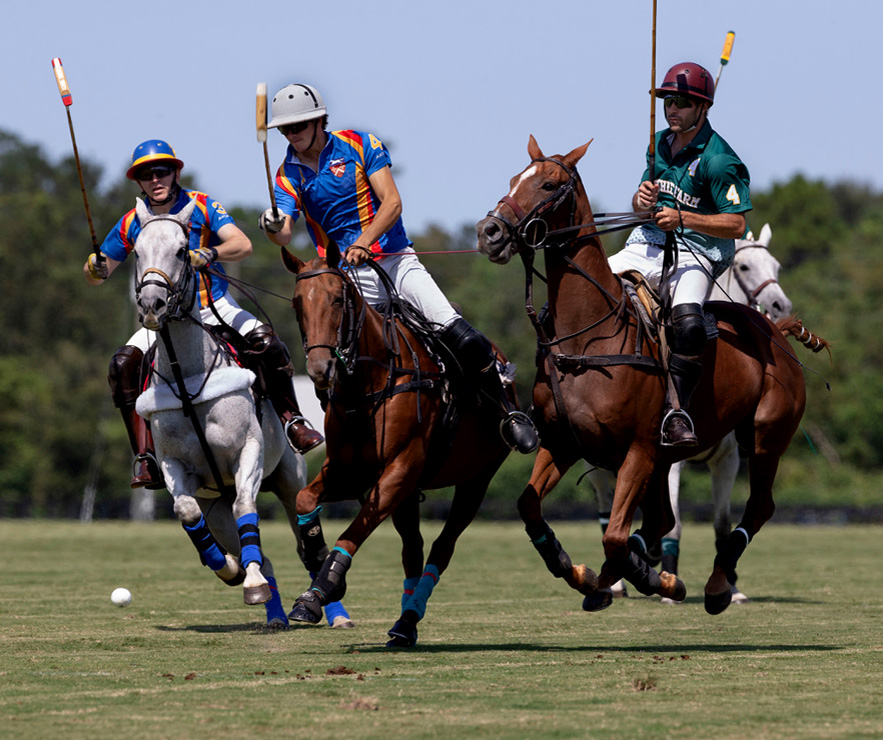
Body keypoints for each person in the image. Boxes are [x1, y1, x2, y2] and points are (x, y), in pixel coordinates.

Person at [259, 83, 537, 454]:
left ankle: (507, 413)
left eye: (298, 127)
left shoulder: (359, 144)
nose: (291, 136)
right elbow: (285, 234)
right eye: (285, 130)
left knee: (461, 335)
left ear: (318, 120)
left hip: (396, 260)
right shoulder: (286, 174)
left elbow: (392, 203)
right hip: (349, 277)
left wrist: (363, 240)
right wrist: (273, 226)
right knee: (334, 358)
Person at [84, 139, 323, 489]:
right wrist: (94, 268)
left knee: (268, 344)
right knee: (122, 366)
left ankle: (292, 420)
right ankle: (144, 456)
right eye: (146, 175)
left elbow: (242, 245)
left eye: (161, 171)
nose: (155, 179)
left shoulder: (202, 205)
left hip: (213, 306)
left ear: (175, 172)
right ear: (138, 182)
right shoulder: (132, 221)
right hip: (162, 317)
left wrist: (209, 253)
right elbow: (99, 274)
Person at [608, 62, 752, 446]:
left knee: (687, 325)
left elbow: (737, 225)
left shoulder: (720, 160)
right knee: (585, 290)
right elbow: (642, 207)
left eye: (683, 103)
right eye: (669, 101)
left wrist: (683, 217)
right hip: (646, 243)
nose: (673, 109)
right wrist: (641, 201)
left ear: (702, 108)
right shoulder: (657, 143)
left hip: (698, 253)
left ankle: (676, 411)